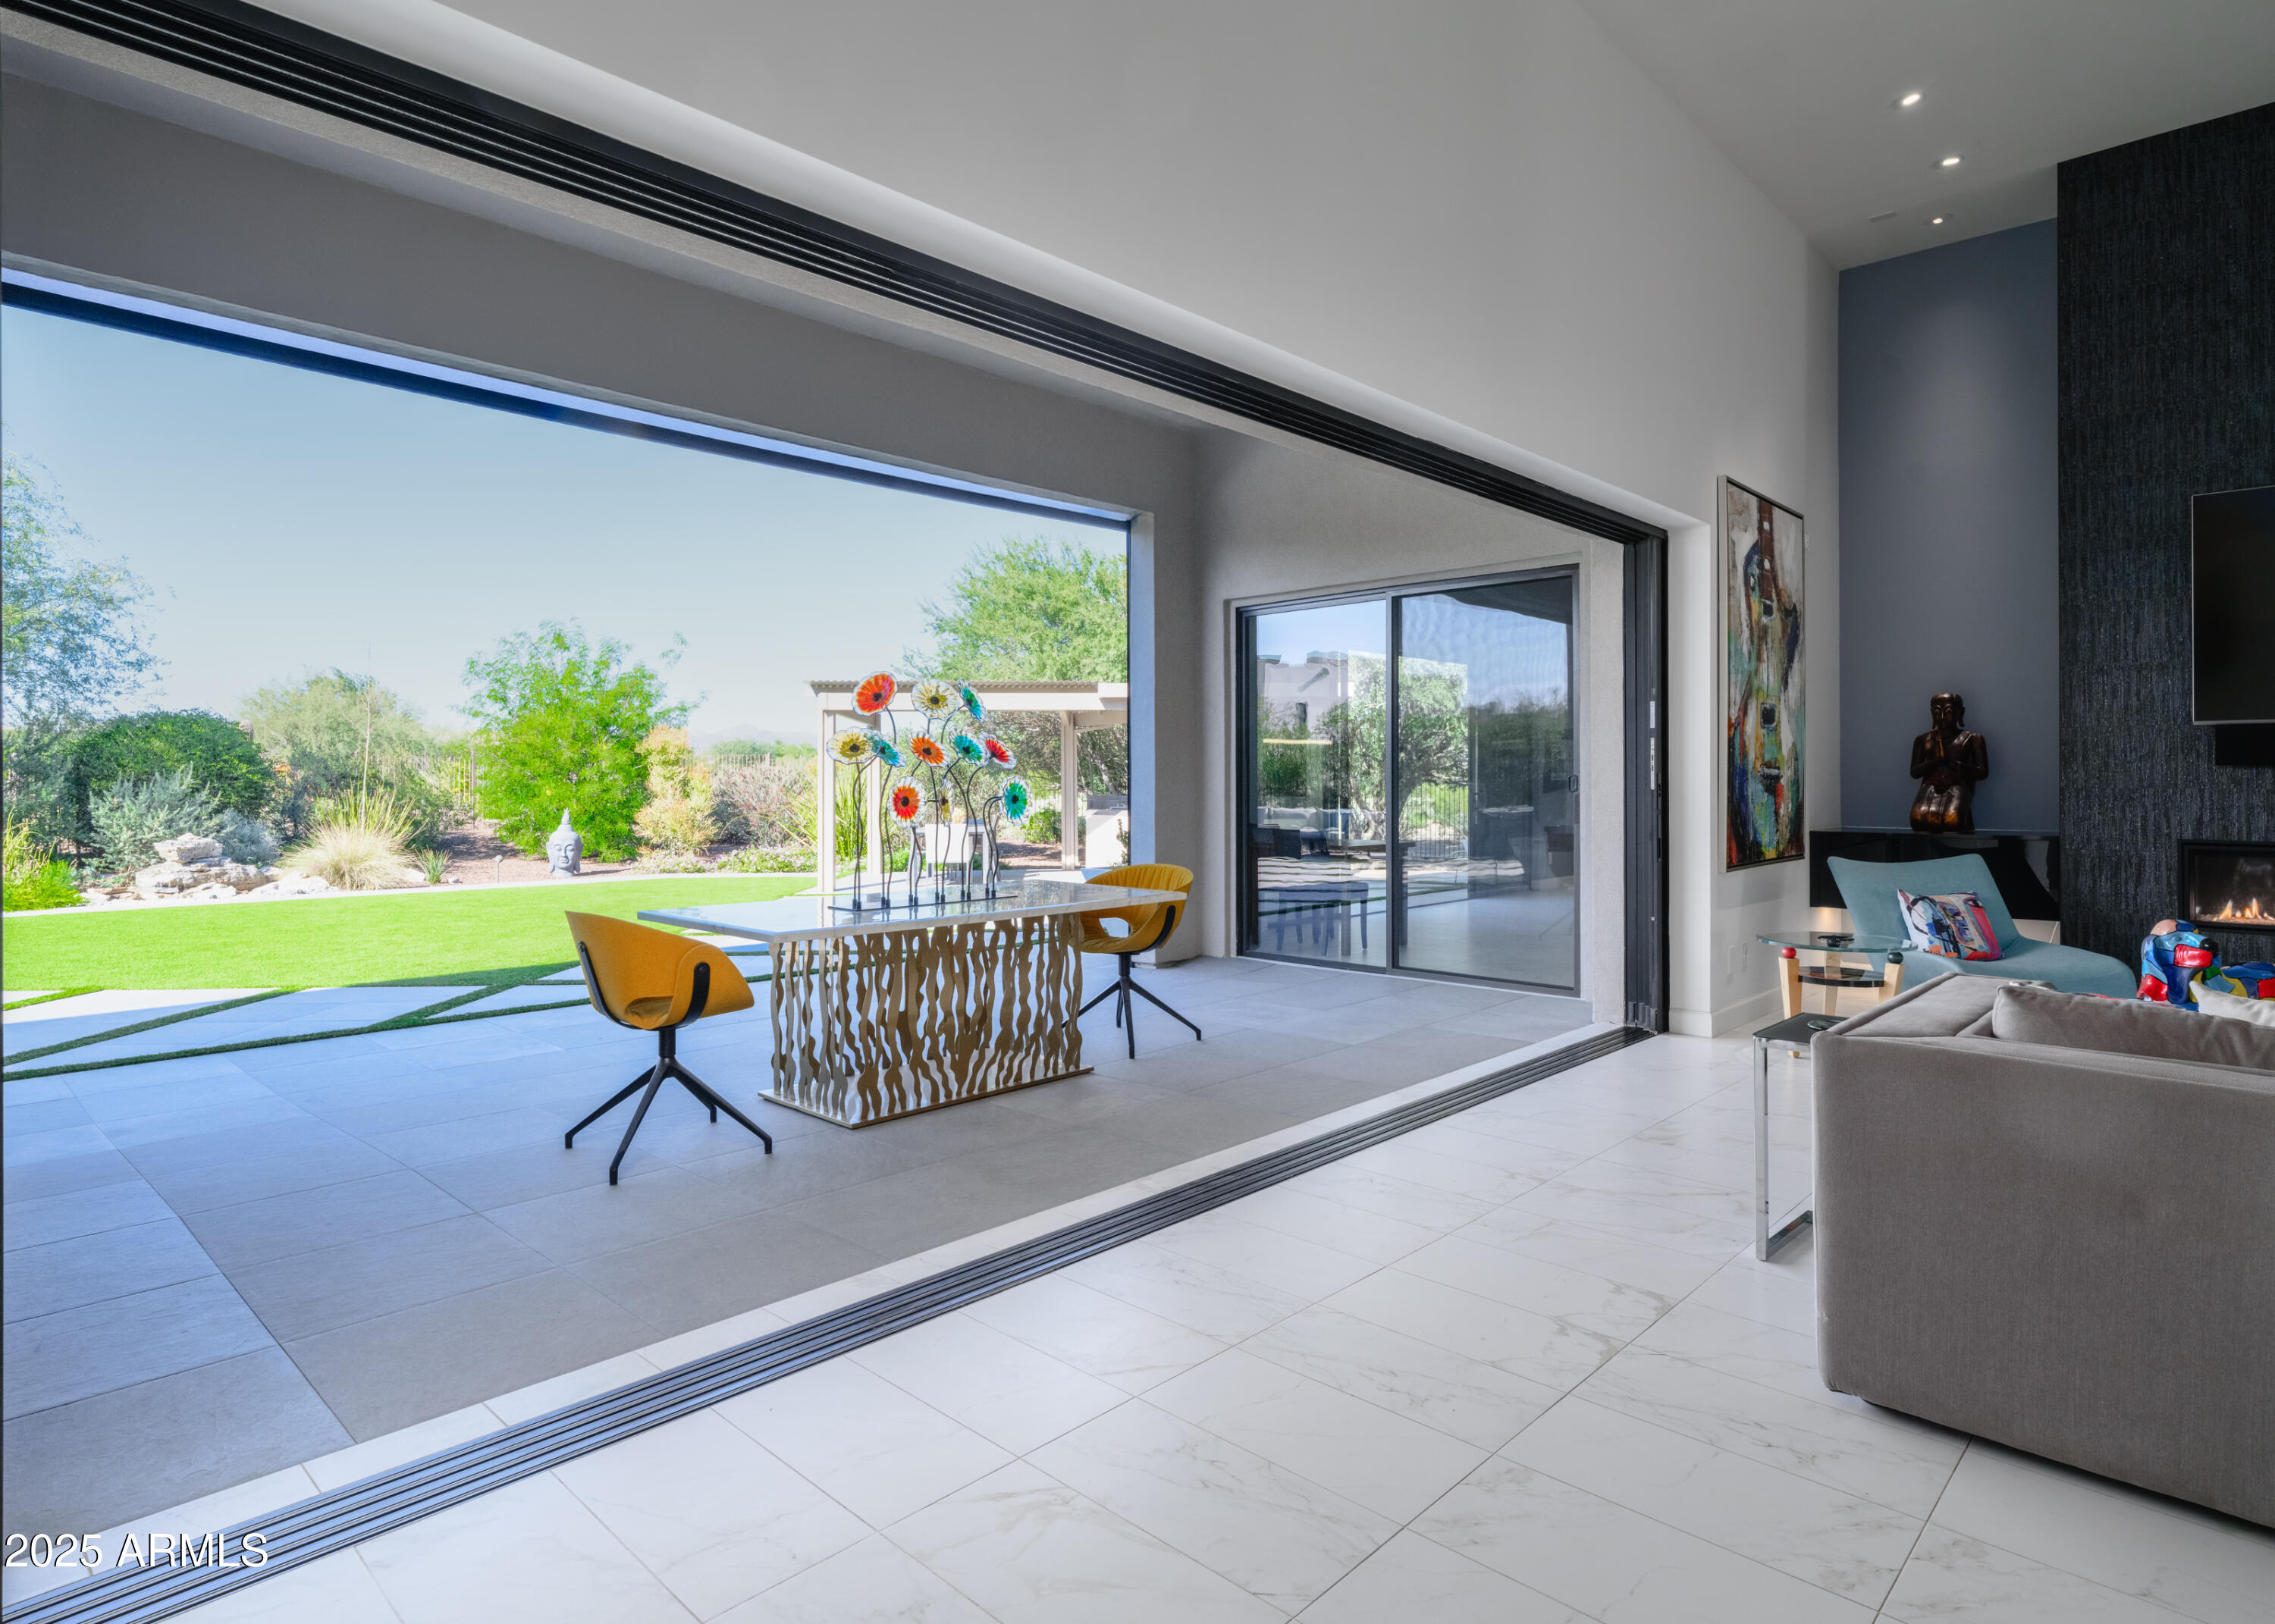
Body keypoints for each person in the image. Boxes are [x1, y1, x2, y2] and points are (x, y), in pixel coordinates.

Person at [1909, 692, 1989, 832]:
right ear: (1931, 714)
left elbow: (1982, 772)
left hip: (1958, 786)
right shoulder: (1923, 739)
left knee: (1951, 821)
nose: (1942, 717)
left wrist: (1956, 765)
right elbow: (1914, 772)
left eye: (1948, 712)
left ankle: (1963, 821)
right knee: (1918, 819)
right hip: (1930, 787)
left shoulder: (1973, 738)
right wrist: (1935, 762)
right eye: (1936, 712)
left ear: (1961, 713)